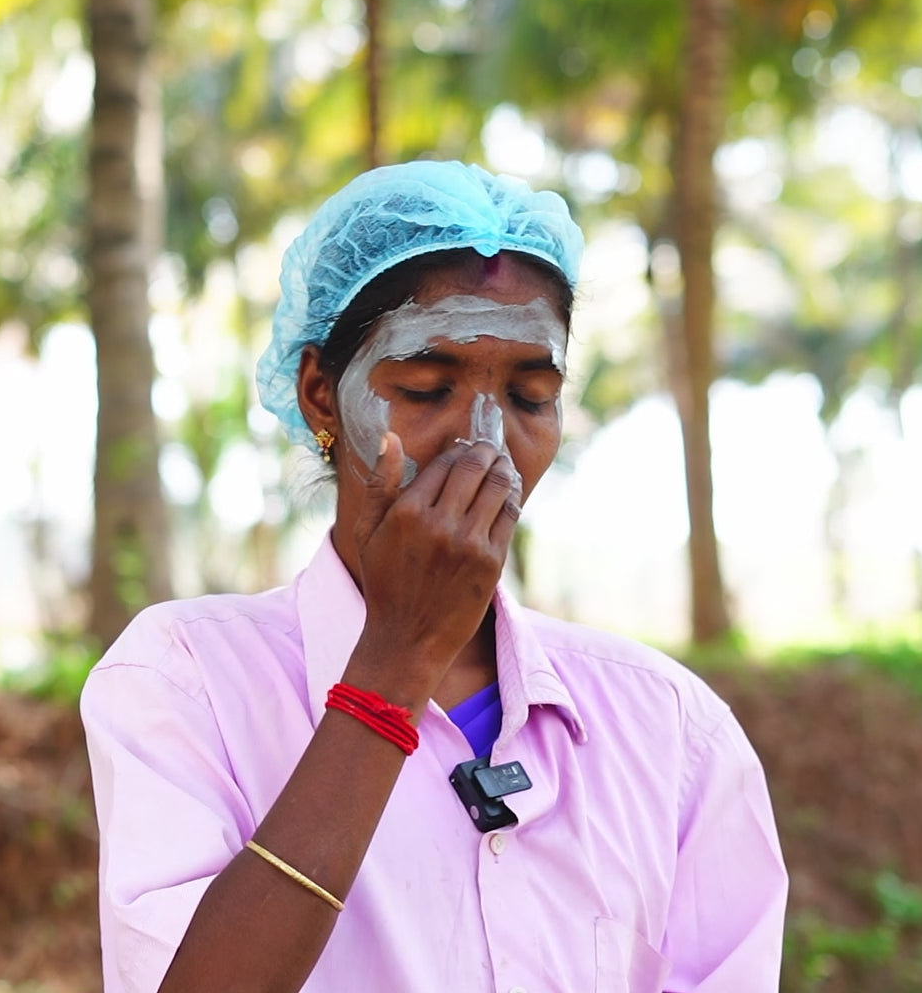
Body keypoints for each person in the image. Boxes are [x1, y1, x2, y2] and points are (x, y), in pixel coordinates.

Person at [81, 160, 788, 993]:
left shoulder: (671, 731)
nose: (484, 442)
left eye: (529, 398)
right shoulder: (184, 679)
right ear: (318, 396)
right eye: (425, 387)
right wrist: (396, 660)